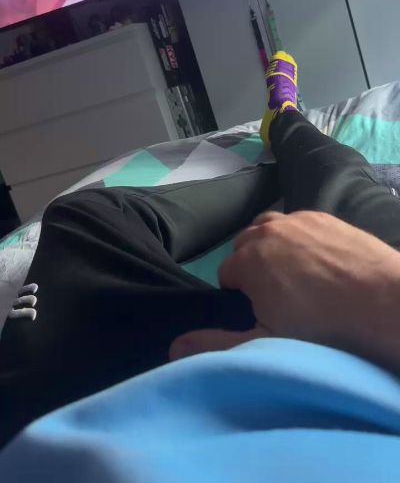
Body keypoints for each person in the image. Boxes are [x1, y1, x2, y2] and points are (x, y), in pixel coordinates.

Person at [2, 50, 400, 476]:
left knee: (84, 218)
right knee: (336, 182)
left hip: (62, 424)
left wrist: (381, 293)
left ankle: (289, 140)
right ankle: (290, 141)